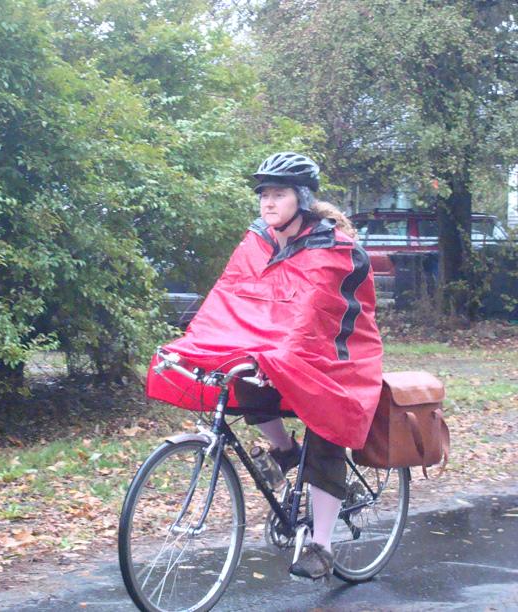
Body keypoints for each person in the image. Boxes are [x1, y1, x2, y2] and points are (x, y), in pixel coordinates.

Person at [146, 151, 383, 582]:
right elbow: (227, 296)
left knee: (327, 429)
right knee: (244, 376)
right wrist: (195, 342)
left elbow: (313, 314)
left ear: (303, 199)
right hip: (281, 350)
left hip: (338, 358)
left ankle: (322, 545)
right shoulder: (256, 240)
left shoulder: (334, 248)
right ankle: (284, 450)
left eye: (279, 194)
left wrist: (277, 353)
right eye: (264, 196)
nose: (268, 203)